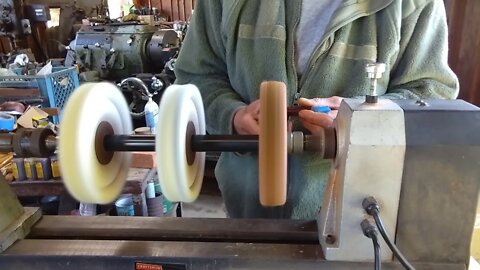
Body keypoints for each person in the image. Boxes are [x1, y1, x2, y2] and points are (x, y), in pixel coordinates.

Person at [174, 0, 459, 219]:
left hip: (355, 217)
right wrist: (233, 116)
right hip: (246, 213)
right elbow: (196, 76)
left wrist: (360, 118)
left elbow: (432, 92)